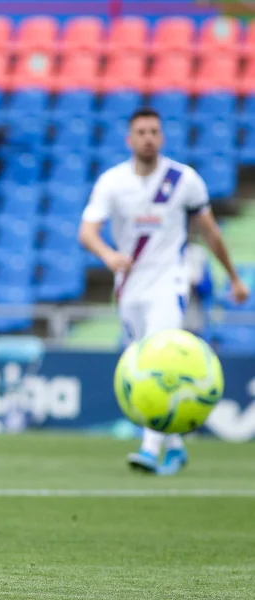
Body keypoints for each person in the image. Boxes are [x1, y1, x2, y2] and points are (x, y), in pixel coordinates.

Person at [78, 107, 249, 476]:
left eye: (154, 131)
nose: (148, 138)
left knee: (156, 357)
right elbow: (87, 231)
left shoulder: (183, 180)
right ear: (129, 139)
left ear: (163, 137)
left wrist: (233, 277)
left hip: (170, 281)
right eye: (141, 132)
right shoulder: (112, 182)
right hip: (129, 286)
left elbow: (210, 231)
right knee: (138, 364)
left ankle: (149, 449)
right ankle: (174, 444)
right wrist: (108, 255)